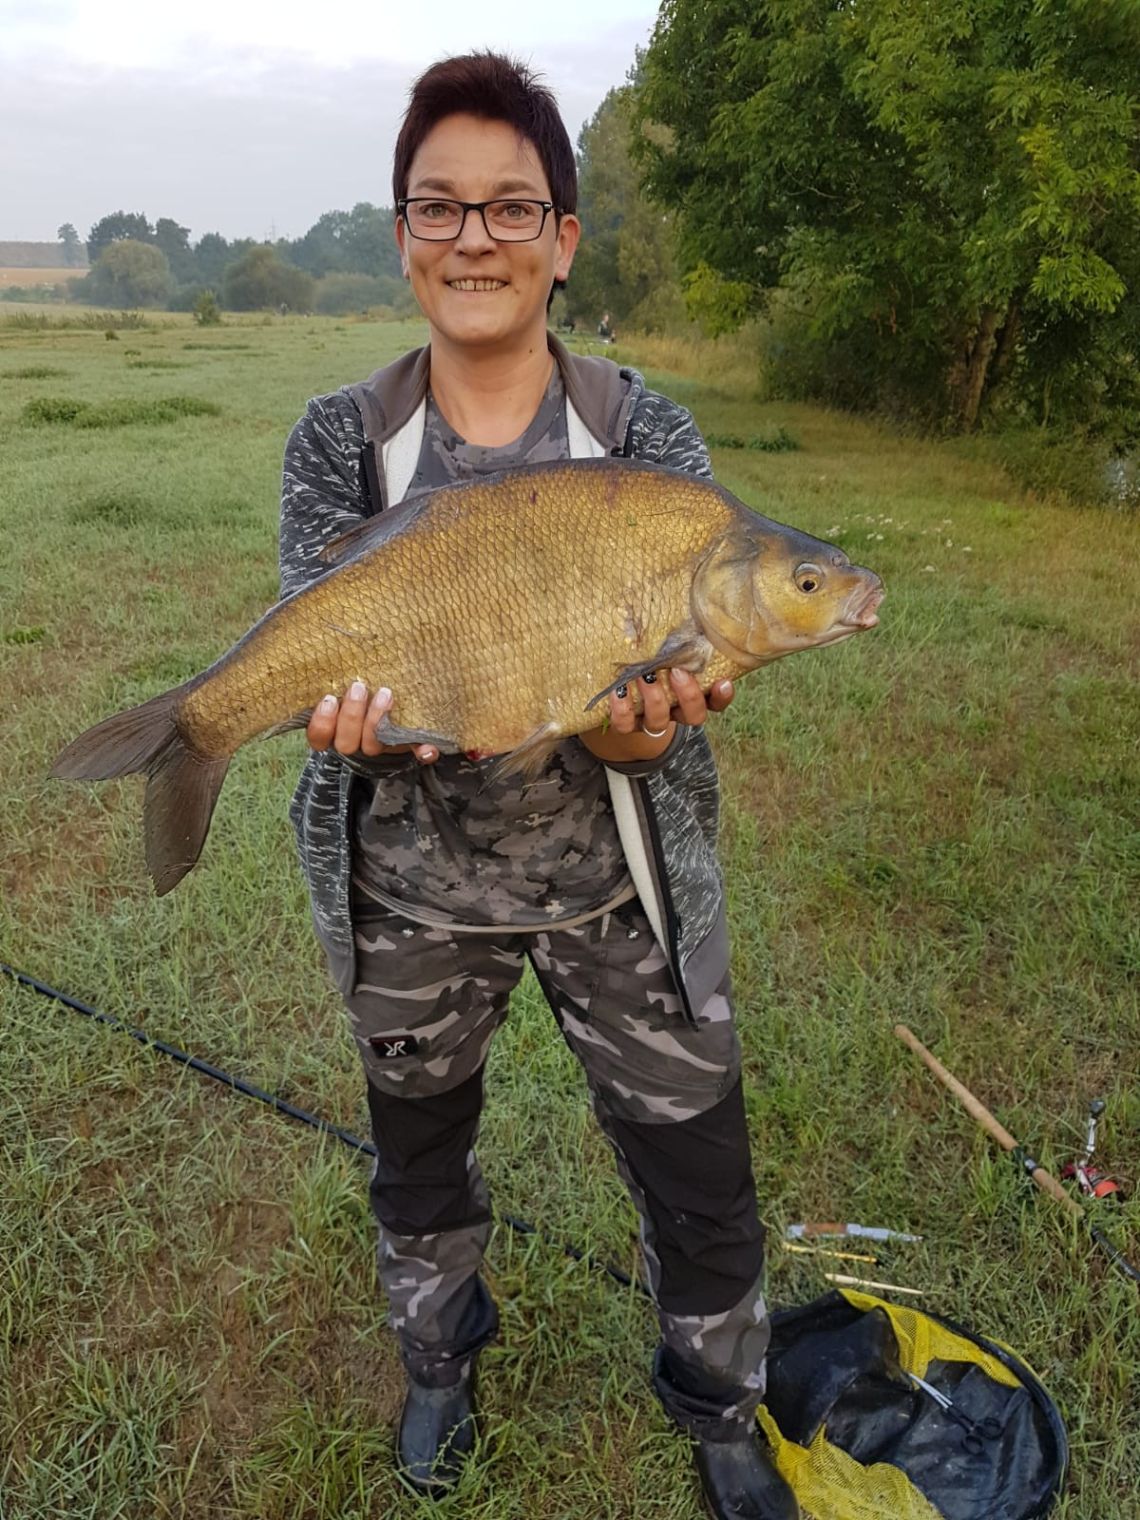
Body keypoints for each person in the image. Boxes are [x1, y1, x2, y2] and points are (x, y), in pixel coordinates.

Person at [278, 52, 798, 1520]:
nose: (475, 240)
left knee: (701, 1165)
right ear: (402, 238)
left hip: (619, 889)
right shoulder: (342, 439)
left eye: (512, 210)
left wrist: (642, 734)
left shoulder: (648, 441)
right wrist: (362, 728)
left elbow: (662, 724)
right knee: (417, 1160)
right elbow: (325, 654)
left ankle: (720, 1404)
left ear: (565, 240)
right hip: (414, 898)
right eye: (439, 208)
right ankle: (439, 1362)